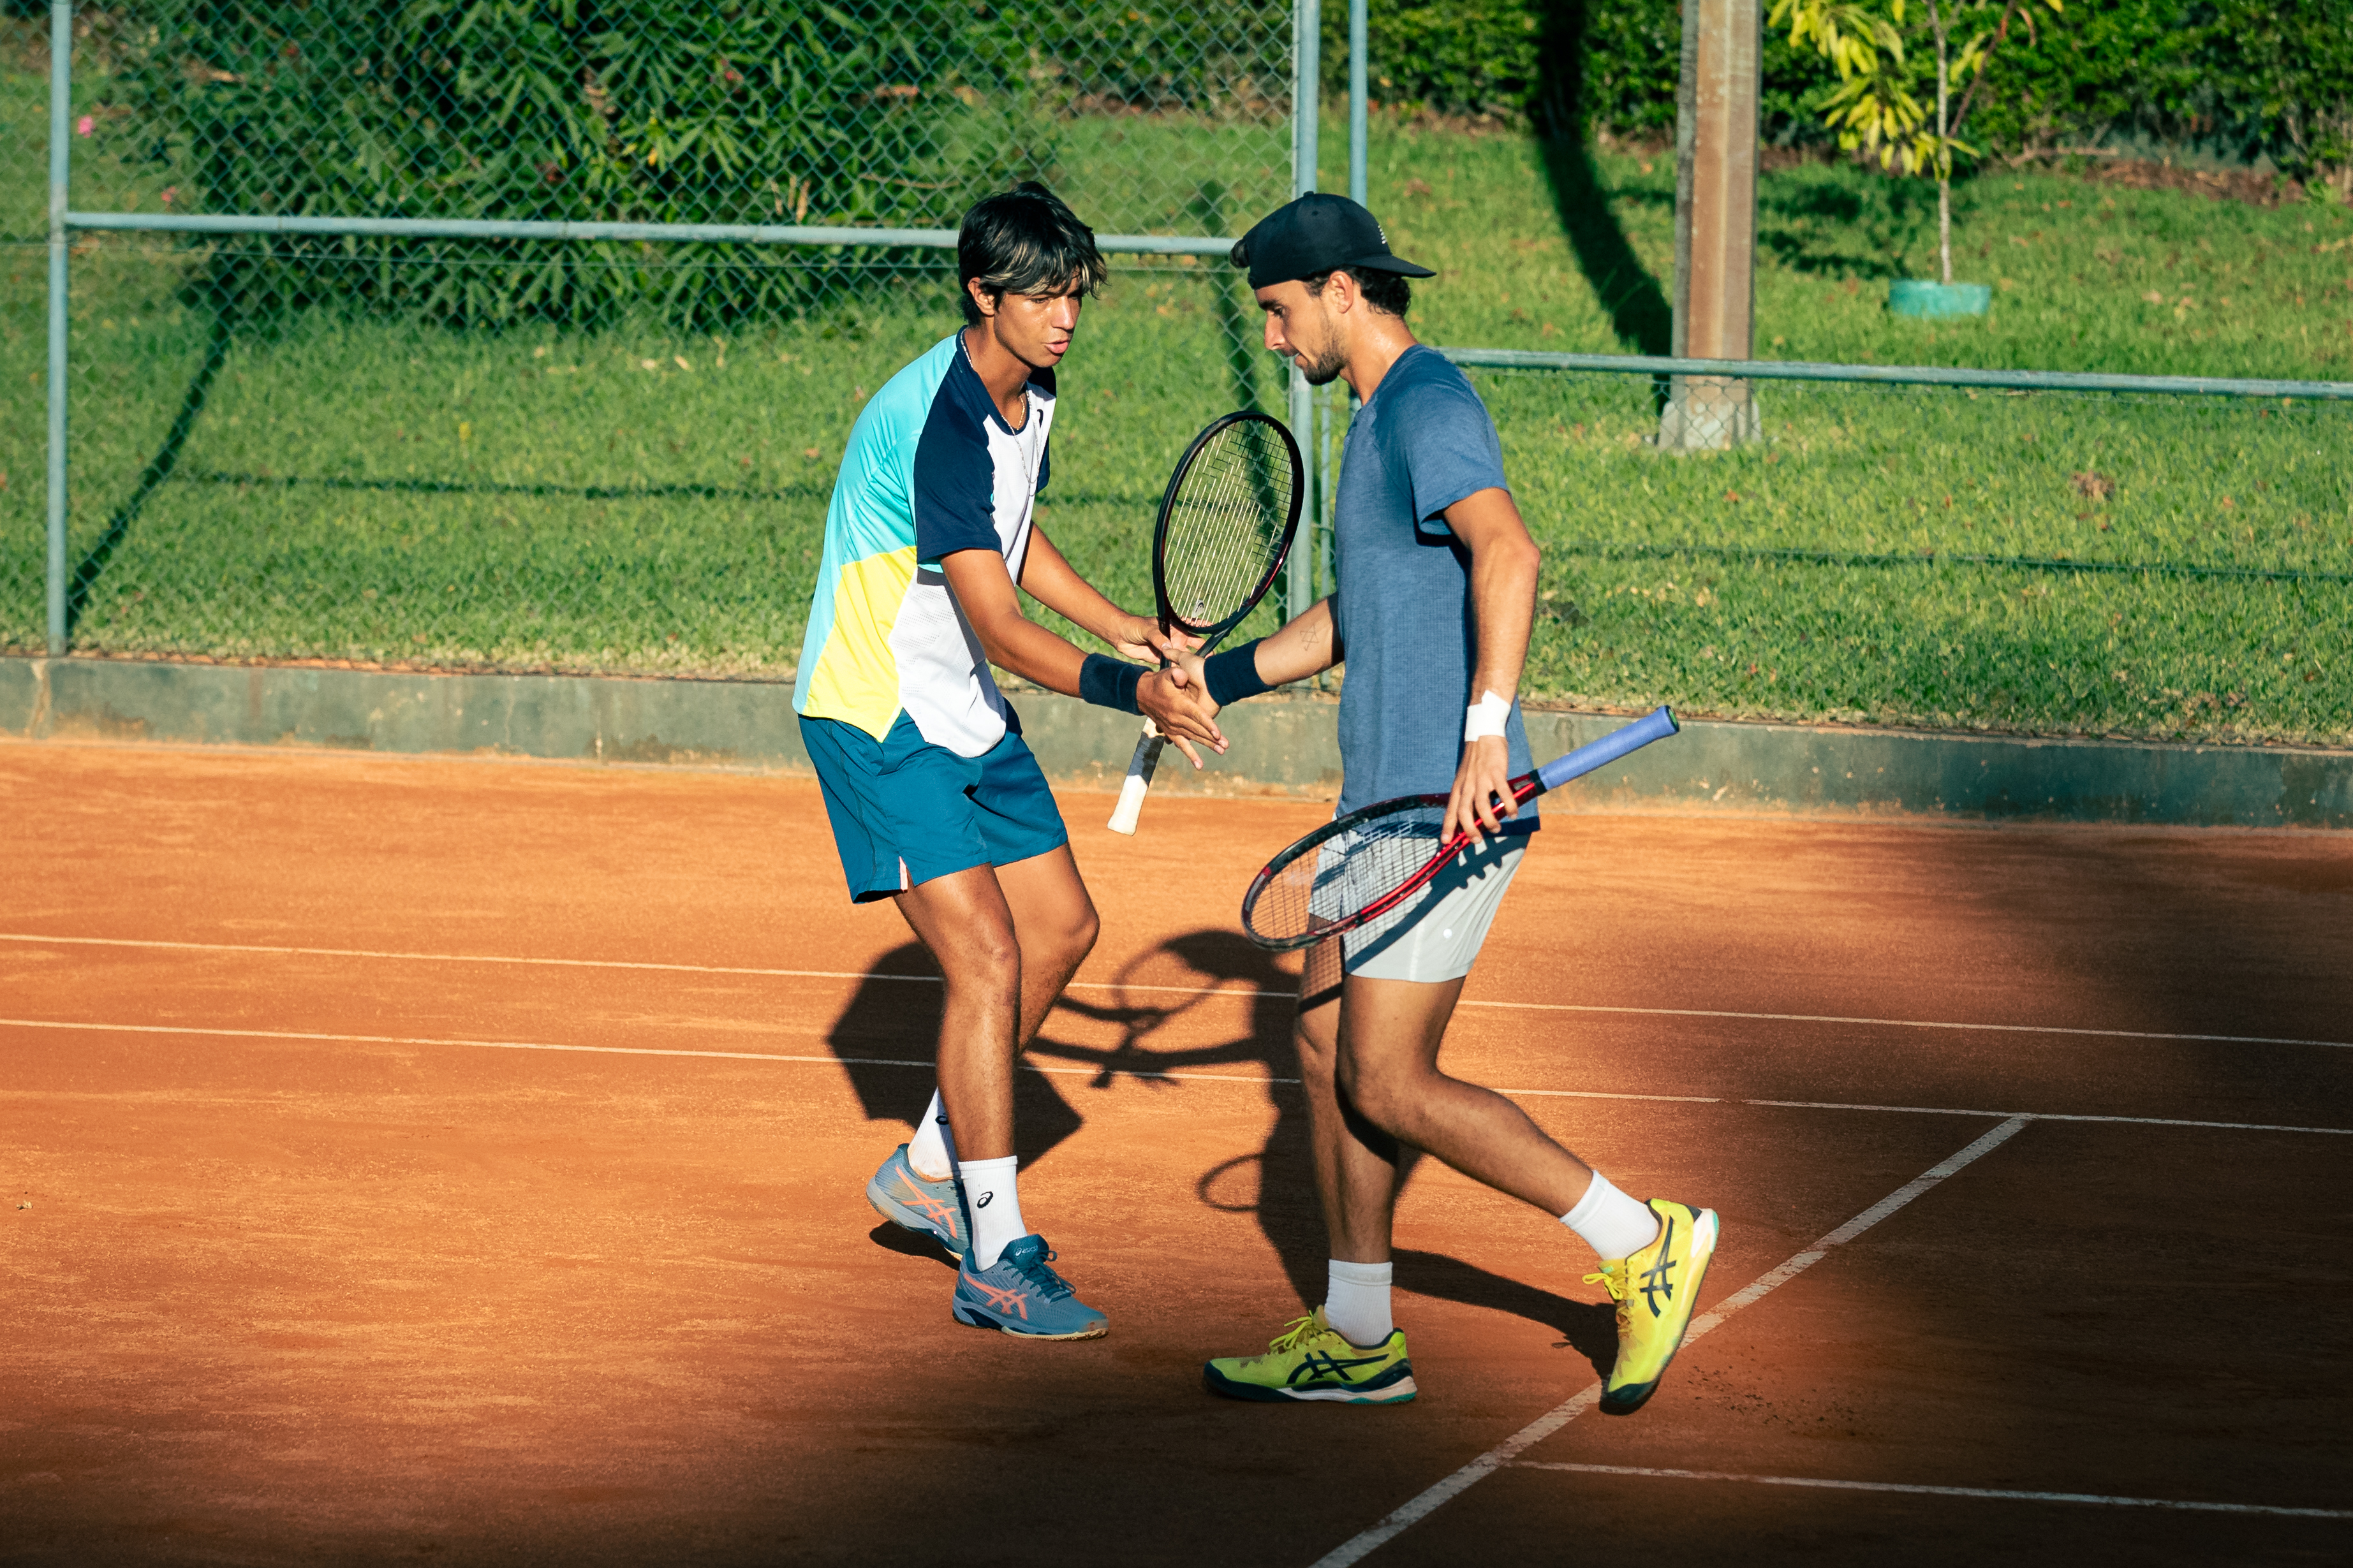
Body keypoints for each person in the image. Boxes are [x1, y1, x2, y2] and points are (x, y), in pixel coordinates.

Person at [1188, 194, 1720, 1410]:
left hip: (1445, 803)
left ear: (1337, 291)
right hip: (1374, 801)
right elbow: (1347, 623)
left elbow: (1510, 551)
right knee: (1321, 1043)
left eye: (1276, 312)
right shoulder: (1373, 426)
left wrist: (1484, 736)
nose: (1272, 340)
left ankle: (1640, 1238)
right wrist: (1203, 680)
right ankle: (1360, 1334)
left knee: (1386, 1079)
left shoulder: (1426, 404)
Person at [792, 182, 1225, 1340]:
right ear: (982, 294)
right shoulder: (936, 418)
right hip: (880, 712)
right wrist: (1125, 686)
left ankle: (929, 1166)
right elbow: (994, 620)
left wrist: (1126, 623)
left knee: (1063, 929)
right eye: (1042, 295)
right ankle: (994, 1255)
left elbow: (1014, 534)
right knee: (985, 960)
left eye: (1074, 292)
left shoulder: (1032, 388)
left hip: (961, 707)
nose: (1065, 315)